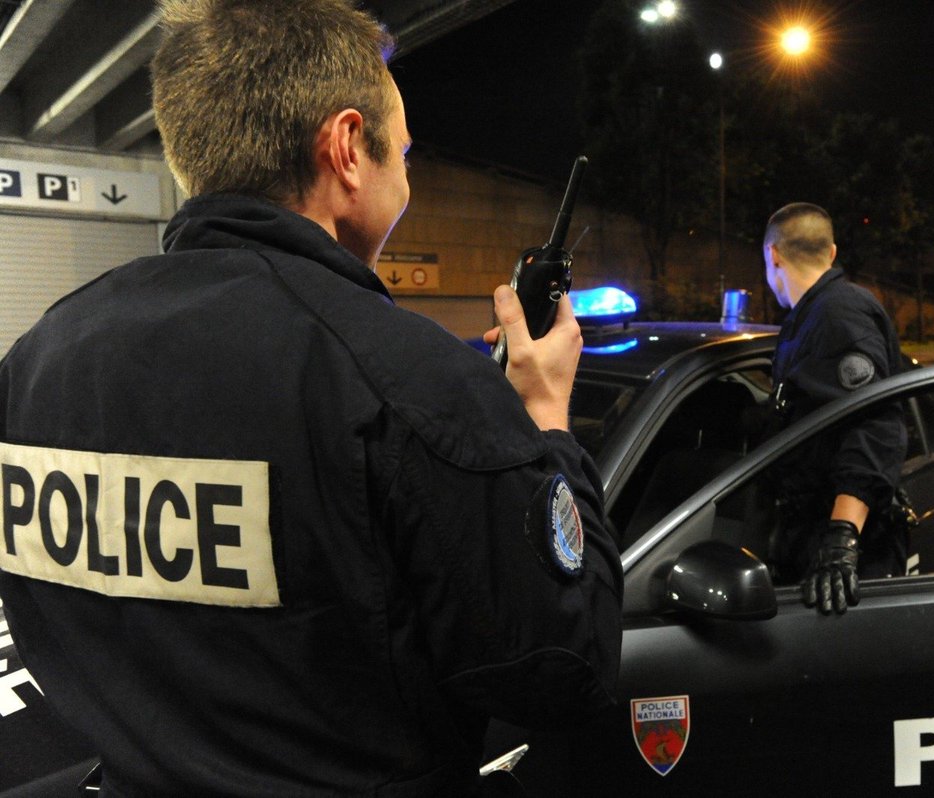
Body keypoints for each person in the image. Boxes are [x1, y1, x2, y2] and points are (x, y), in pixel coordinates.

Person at [0, 0, 622, 794]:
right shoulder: (408, 380)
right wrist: (544, 423)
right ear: (346, 150)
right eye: (402, 150)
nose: (407, 173)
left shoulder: (38, 360)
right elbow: (567, 672)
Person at [761, 202, 907, 615]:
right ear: (831, 252)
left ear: (773, 255)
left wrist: (841, 542)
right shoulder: (809, 316)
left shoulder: (838, 312)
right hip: (812, 533)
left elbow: (874, 424)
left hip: (846, 554)